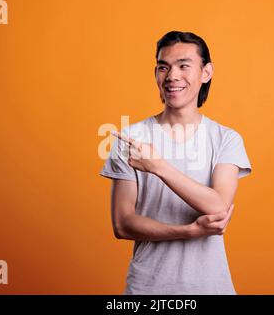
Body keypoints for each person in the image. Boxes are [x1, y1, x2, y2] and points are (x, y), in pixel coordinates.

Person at [99, 31, 252, 294]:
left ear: (206, 73)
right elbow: (122, 224)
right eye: (163, 67)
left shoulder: (226, 139)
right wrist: (188, 231)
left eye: (184, 65)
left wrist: (159, 167)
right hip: (147, 289)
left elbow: (217, 205)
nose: (172, 76)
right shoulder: (131, 139)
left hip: (210, 287)